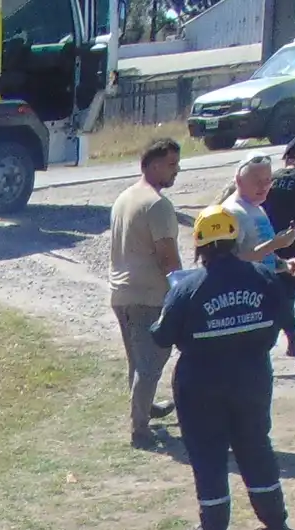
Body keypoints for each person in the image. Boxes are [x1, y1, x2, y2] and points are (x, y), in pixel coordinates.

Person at [150, 205, 294, 530]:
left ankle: (214, 524)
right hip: (253, 377)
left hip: (200, 384)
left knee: (207, 451)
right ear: (235, 239)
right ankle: (273, 516)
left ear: (200, 247)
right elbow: (286, 318)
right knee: (256, 443)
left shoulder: (187, 289)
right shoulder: (264, 277)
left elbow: (161, 336)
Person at [109, 138, 184, 448]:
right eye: (171, 164)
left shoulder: (124, 197)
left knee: (137, 361)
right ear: (153, 165)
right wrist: (183, 288)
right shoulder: (157, 204)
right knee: (150, 363)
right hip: (147, 296)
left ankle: (145, 408)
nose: (176, 170)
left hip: (121, 293)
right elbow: (167, 256)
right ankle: (139, 430)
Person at [259, 136, 295, 356]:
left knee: (277, 289)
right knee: (286, 292)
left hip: (268, 241)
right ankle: (290, 338)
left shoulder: (271, 178)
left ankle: (291, 337)